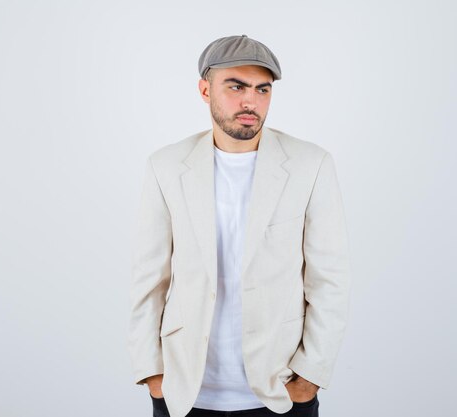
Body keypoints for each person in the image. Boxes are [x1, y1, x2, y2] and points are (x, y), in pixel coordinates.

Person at [128, 34, 351, 417]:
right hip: (185, 393)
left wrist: (310, 376)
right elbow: (149, 279)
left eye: (262, 89)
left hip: (278, 393)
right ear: (204, 89)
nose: (251, 100)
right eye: (236, 86)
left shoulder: (310, 165)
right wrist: (153, 374)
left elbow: (330, 280)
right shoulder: (165, 166)